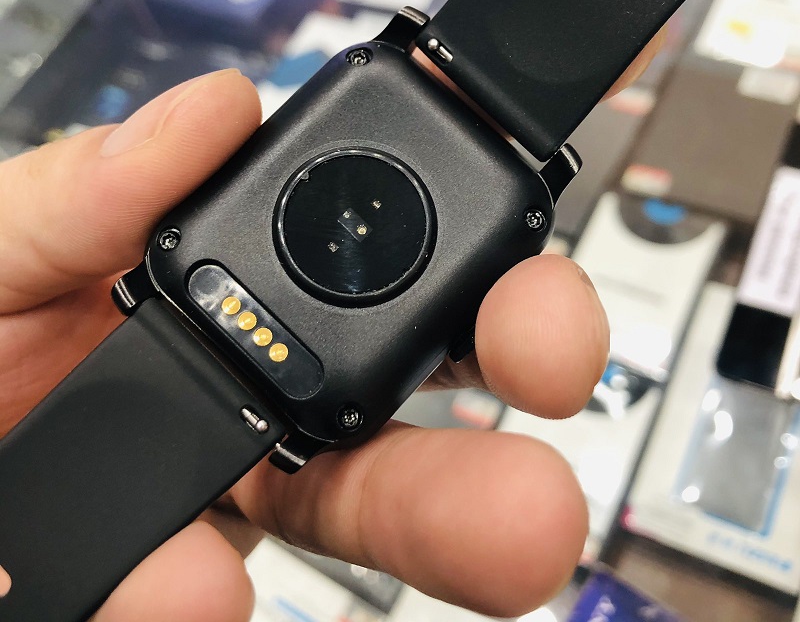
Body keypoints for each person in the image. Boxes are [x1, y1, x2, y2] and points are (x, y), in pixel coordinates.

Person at [0, 32, 662, 621]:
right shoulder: (408, 97)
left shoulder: (387, 78)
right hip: (224, 354)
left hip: (210, 331)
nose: (355, 227)